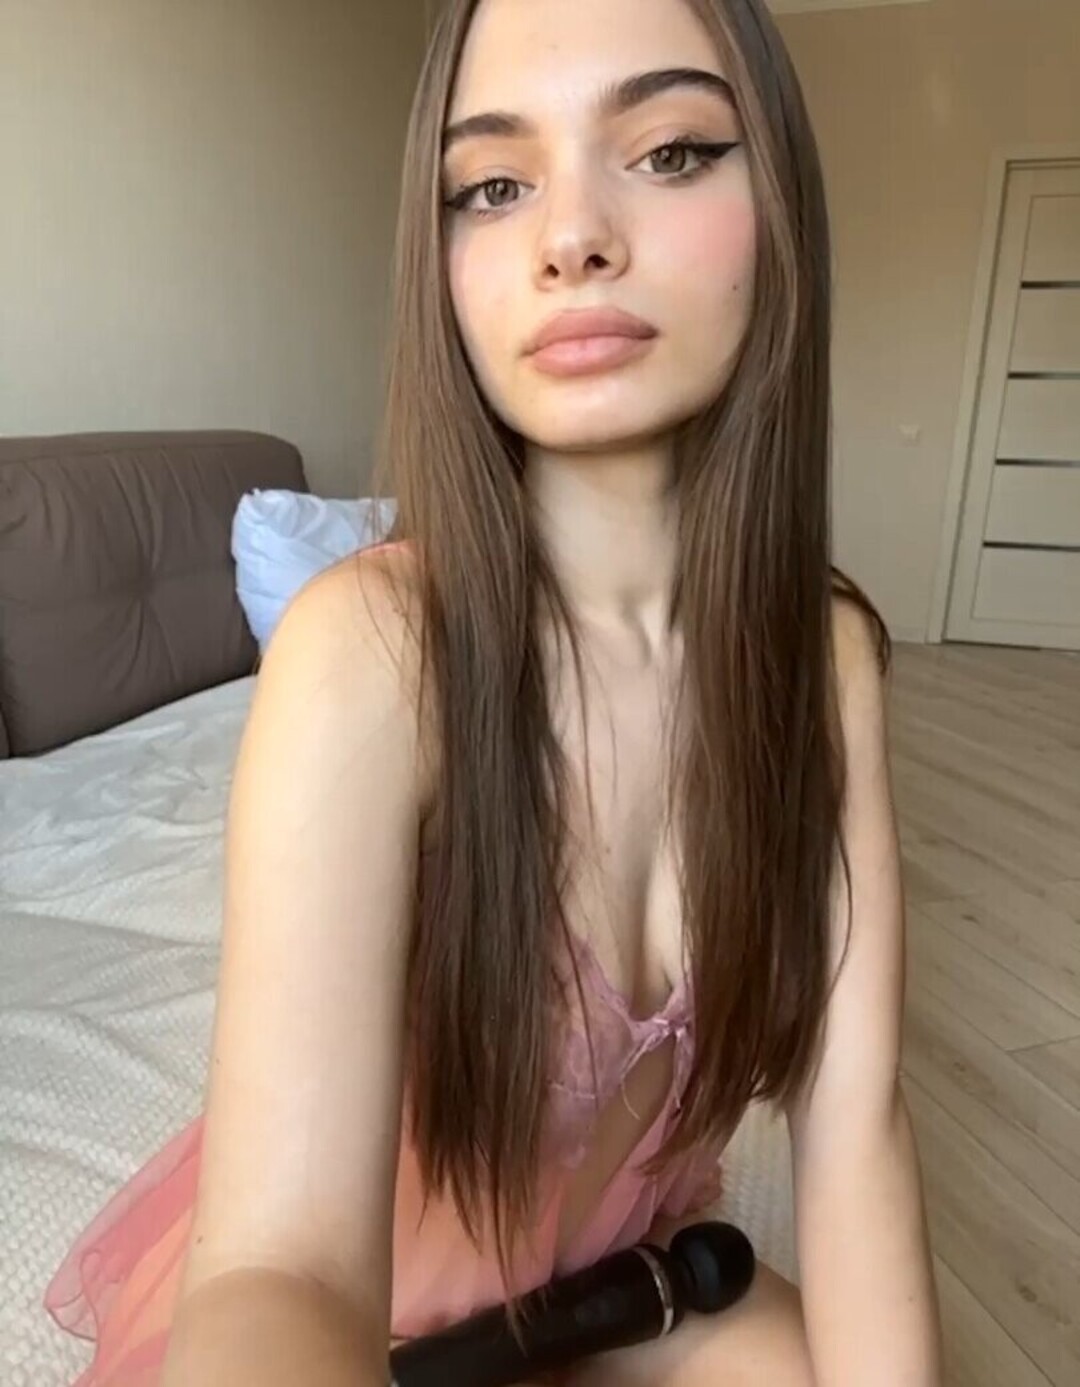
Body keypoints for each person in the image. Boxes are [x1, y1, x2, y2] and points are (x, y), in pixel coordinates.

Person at [43, 1, 944, 1384]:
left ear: (778, 204)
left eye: (672, 151)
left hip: (623, 1287)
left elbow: (856, 1131)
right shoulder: (368, 655)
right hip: (380, 1333)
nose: (570, 236)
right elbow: (287, 1267)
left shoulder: (827, 665)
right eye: (494, 185)